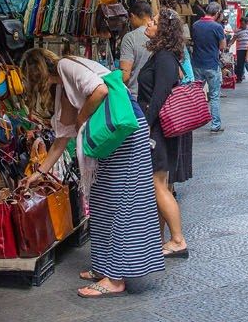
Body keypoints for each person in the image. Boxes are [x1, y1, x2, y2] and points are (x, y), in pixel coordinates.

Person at [21, 48, 164, 296]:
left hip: (125, 135)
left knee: (120, 203)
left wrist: (81, 118)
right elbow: (61, 139)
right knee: (102, 202)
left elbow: (101, 90)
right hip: (113, 137)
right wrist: (39, 173)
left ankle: (115, 278)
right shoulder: (63, 87)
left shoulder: (66, 66)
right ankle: (103, 266)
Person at [136, 9, 190, 258]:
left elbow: (159, 96)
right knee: (159, 184)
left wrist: (146, 124)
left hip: (159, 128)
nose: (149, 23)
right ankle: (157, 240)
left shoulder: (165, 57)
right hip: (158, 126)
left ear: (164, 31)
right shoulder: (161, 55)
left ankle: (178, 240)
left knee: (157, 185)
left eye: (155, 22)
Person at [191, 2, 226, 132]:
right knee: (214, 95)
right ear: (217, 13)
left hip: (197, 64)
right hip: (211, 64)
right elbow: (222, 46)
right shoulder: (217, 27)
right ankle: (215, 124)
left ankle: (192, 121)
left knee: (196, 94)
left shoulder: (195, 25)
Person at [117, 0, 154, 99]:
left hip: (136, 95)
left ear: (132, 16)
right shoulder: (161, 35)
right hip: (156, 95)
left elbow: (125, 74)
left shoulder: (130, 38)